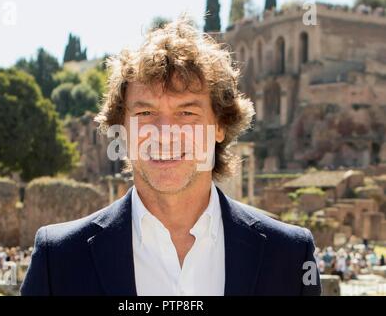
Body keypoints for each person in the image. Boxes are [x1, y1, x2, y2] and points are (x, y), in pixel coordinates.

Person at [21, 17, 321, 296]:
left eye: (186, 113)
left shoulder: (290, 257)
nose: (164, 132)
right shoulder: (58, 259)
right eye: (145, 112)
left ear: (219, 126)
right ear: (121, 128)